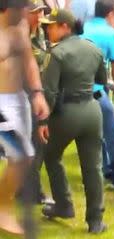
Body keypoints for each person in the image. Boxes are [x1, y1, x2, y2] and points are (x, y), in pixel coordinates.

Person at [38, 9, 108, 234]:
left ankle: (64, 205)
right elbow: (101, 80)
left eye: (51, 25)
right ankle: (95, 220)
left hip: (66, 113)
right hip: (92, 110)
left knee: (51, 155)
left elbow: (49, 92)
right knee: (93, 166)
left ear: (65, 27)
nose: (47, 30)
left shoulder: (56, 54)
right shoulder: (93, 48)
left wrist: (42, 122)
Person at [0, 0, 49, 234]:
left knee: (22, 157)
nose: (26, 13)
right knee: (21, 156)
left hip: (18, 99)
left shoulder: (19, 26)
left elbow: (29, 60)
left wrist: (38, 93)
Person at [82, 0, 114, 188]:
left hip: (73, 89)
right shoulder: (111, 34)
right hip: (93, 90)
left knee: (97, 131)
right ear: (111, 14)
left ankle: (107, 169)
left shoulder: (82, 27)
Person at [24, 0, 50, 204]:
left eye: (41, 10)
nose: (39, 15)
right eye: (35, 12)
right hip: (26, 97)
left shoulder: (41, 34)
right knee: (34, 143)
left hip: (40, 94)